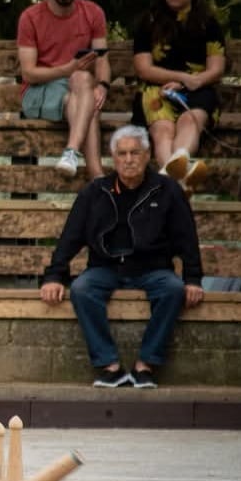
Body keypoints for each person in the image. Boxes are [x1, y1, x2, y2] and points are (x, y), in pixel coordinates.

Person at [39, 125, 203, 389]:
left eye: (135, 153)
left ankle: (145, 365)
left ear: (147, 155)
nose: (129, 160)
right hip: (106, 268)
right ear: (113, 158)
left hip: (153, 269)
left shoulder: (168, 190)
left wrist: (193, 278)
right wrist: (54, 275)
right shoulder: (95, 192)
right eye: (122, 153)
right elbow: (70, 237)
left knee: (173, 289)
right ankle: (110, 366)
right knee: (81, 288)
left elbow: (187, 237)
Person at [132, 0, 225, 192]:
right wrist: (181, 77)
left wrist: (190, 83)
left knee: (190, 121)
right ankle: (178, 183)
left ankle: (175, 169)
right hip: (156, 89)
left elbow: (216, 68)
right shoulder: (148, 21)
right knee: (163, 129)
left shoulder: (208, 23)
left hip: (197, 88)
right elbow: (143, 69)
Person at [17, 0, 112, 180]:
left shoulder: (93, 13)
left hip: (77, 88)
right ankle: (96, 174)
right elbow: (28, 73)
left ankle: (71, 152)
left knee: (83, 83)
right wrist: (66, 69)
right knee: (86, 102)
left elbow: (102, 59)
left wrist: (103, 85)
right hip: (38, 89)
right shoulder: (31, 17)